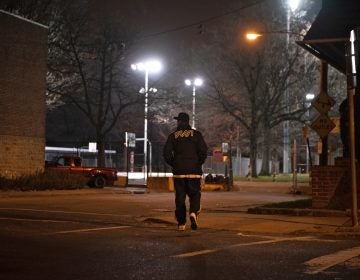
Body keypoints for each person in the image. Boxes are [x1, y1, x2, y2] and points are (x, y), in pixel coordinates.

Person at [163, 112, 208, 231]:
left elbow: (166, 153)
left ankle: (181, 223)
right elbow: (203, 151)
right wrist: (198, 163)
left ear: (179, 122)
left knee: (180, 197)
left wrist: (174, 163)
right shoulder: (197, 135)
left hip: (179, 172)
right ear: (188, 122)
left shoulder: (173, 135)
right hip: (194, 171)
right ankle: (193, 212)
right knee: (195, 194)